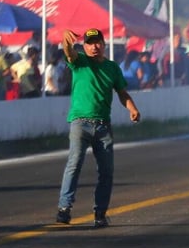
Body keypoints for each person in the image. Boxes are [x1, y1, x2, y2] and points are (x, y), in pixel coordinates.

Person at [55, 28, 141, 228]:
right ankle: (64, 208)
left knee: (106, 171)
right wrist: (66, 42)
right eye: (90, 43)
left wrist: (133, 108)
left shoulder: (112, 68)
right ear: (84, 46)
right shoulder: (80, 62)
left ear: (104, 44)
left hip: (103, 125)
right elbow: (69, 53)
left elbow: (122, 92)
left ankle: (100, 212)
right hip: (80, 123)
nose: (94, 47)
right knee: (74, 163)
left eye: (98, 43)